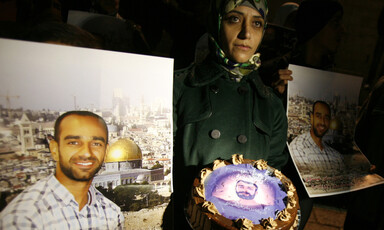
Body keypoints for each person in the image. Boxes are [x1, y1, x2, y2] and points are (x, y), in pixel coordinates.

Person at [168, 0, 288, 228]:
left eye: (257, 23)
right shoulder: (180, 88)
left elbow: (274, 180)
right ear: (216, 22)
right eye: (234, 19)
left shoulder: (271, 104)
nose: (246, 33)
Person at [0, 111, 124, 229]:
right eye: (74, 143)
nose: (86, 153)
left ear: (106, 152)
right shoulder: (24, 218)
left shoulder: (111, 213)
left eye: (96, 144)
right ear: (54, 149)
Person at [289, 101, 345, 173]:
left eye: (326, 118)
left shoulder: (336, 156)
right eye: (318, 116)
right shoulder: (298, 146)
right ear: (311, 118)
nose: (322, 122)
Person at [291, 0, 345, 70]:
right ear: (316, 26)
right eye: (335, 22)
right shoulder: (280, 70)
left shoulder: (331, 74)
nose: (342, 30)